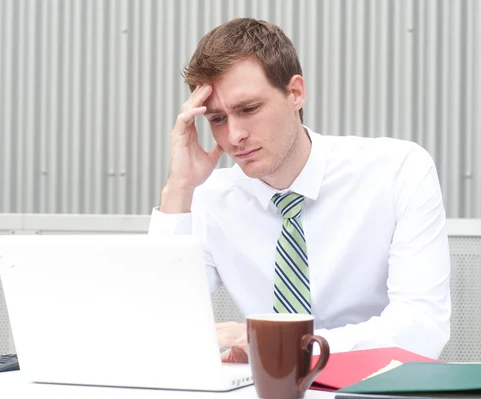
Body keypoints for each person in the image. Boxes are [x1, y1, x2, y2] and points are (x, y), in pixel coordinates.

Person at [149, 18, 451, 363]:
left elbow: (423, 330)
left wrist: (286, 345)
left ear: (295, 93)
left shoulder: (397, 170)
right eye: (217, 119)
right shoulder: (209, 196)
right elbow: (160, 322)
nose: (234, 137)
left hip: (373, 385)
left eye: (248, 109)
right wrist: (179, 188)